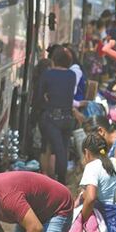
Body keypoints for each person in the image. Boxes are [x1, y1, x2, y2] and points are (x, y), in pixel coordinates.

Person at [37, 45, 79, 183]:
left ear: (54, 59)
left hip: (51, 117)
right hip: (68, 117)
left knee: (48, 147)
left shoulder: (48, 74)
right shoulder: (72, 75)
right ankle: (61, 178)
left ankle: (52, 179)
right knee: (63, 148)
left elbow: (39, 95)